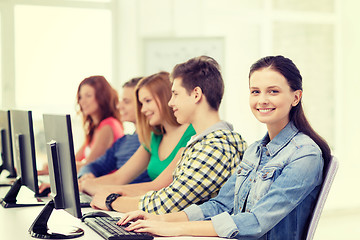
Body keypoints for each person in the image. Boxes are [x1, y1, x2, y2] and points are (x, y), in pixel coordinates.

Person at [117, 55, 332, 239]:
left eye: (273, 91)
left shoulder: (305, 155)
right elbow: (219, 205)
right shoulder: (254, 151)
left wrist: (171, 227)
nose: (262, 99)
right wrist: (159, 219)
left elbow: (256, 222)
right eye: (255, 91)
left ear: (296, 97)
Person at [89, 56, 247, 214]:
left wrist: (112, 201)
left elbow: (167, 203)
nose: (170, 103)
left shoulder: (215, 147)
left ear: (196, 94)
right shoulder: (200, 143)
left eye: (176, 94)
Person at [79, 72, 196, 196]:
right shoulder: (155, 137)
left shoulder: (191, 134)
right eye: (141, 103)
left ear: (165, 97)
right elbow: (119, 177)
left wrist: (98, 189)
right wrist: (85, 184)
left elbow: (157, 186)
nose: (143, 109)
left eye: (148, 101)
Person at [38, 75, 124, 175]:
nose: (82, 102)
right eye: (80, 97)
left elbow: (88, 166)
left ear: (102, 97)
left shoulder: (108, 126)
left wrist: (55, 166)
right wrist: (46, 169)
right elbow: (73, 160)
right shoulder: (95, 128)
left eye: (88, 96)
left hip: (101, 185)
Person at [77, 77, 151, 184]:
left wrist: (92, 184)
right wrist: (87, 176)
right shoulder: (123, 142)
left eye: (126, 102)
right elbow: (92, 166)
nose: (119, 106)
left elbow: (121, 180)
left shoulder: (153, 141)